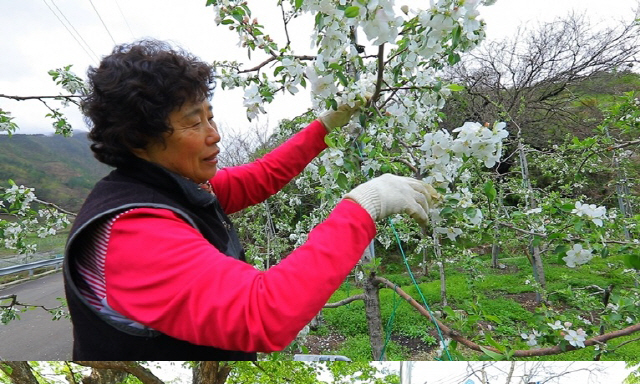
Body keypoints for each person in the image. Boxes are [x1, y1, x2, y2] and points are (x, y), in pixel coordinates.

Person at [63, 40, 439, 360]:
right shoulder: (133, 232)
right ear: (137, 139)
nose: (214, 135)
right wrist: (364, 206)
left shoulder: (172, 186)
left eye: (210, 118)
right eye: (195, 123)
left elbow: (261, 177)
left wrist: (326, 127)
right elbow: (264, 313)